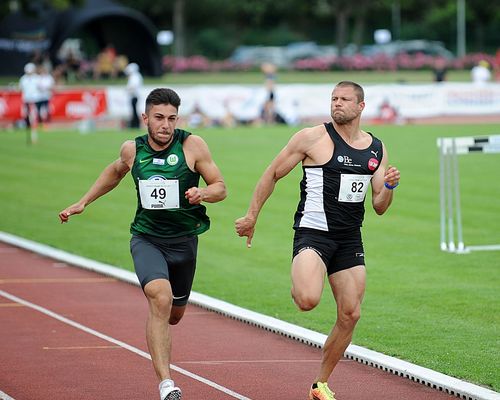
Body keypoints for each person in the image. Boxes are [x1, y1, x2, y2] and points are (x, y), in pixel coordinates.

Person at [235, 81, 400, 400]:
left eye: (344, 99)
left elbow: (378, 205)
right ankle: (301, 279)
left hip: (350, 239)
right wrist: (252, 215)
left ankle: (320, 384)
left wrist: (390, 187)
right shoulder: (312, 137)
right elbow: (272, 173)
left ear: (361, 106)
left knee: (351, 314)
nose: (337, 104)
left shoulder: (375, 148)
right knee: (307, 300)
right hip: (313, 234)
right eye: (333, 99)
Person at [58, 88, 227, 400]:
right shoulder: (131, 149)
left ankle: (169, 323)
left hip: (184, 242)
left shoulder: (192, 145)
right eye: (159, 118)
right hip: (146, 238)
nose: (166, 125)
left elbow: (220, 187)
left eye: (172, 119)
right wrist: (84, 202)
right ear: (145, 118)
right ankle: (166, 384)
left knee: (175, 314)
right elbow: (115, 172)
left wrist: (202, 193)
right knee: (159, 299)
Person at [19, 62, 42, 144]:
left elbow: (40, 88)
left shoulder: (37, 78)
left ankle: (34, 136)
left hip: (34, 101)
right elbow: (21, 89)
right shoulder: (23, 79)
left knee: (34, 118)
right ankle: (31, 135)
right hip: (26, 101)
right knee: (27, 118)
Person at [124, 63, 143, 128]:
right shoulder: (135, 76)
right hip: (133, 96)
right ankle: (134, 124)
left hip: (134, 96)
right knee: (134, 110)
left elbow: (133, 86)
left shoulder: (135, 76)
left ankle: (135, 124)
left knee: (134, 111)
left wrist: (127, 89)